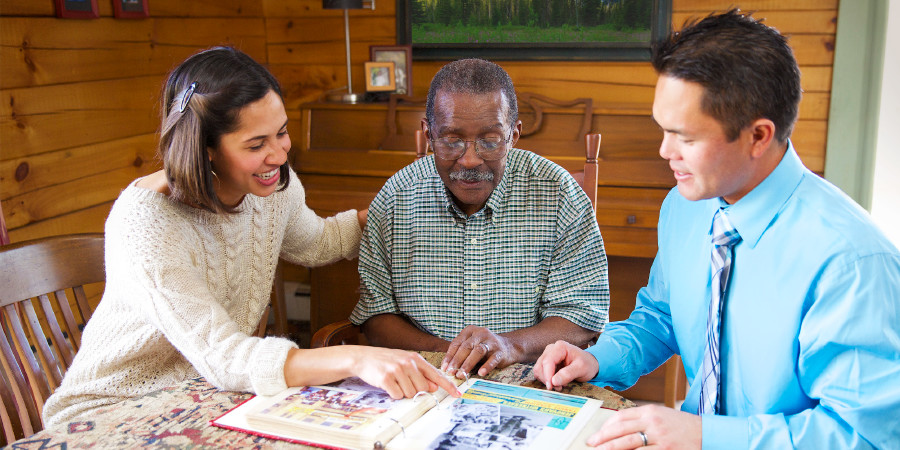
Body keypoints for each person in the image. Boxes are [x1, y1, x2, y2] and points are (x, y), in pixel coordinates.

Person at [534, 9, 900, 449]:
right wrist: (594, 360)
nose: (665, 151)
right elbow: (662, 317)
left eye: (685, 137)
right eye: (663, 129)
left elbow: (863, 436)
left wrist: (708, 438)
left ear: (759, 136)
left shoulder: (852, 262)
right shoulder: (684, 208)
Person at [42, 47, 459, 427]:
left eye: (282, 132)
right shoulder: (146, 222)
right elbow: (224, 356)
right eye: (256, 143)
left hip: (209, 396)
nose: (278, 155)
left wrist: (393, 211)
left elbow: (317, 242)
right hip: (113, 410)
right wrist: (355, 356)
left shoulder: (271, 184)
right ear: (205, 146)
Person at [349, 58, 610, 379]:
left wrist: (508, 346)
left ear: (514, 134)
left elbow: (583, 317)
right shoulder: (396, 195)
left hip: (530, 382)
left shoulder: (558, 193)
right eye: (451, 140)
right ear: (428, 134)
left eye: (489, 141)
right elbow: (376, 317)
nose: (470, 159)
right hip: (423, 379)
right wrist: (454, 355)